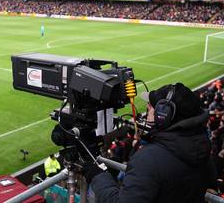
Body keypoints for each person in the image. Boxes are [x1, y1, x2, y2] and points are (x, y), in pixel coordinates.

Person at [83, 83, 216, 203]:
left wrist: (98, 176)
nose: (147, 107)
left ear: (164, 115)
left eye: (151, 106)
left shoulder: (149, 159)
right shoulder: (202, 147)